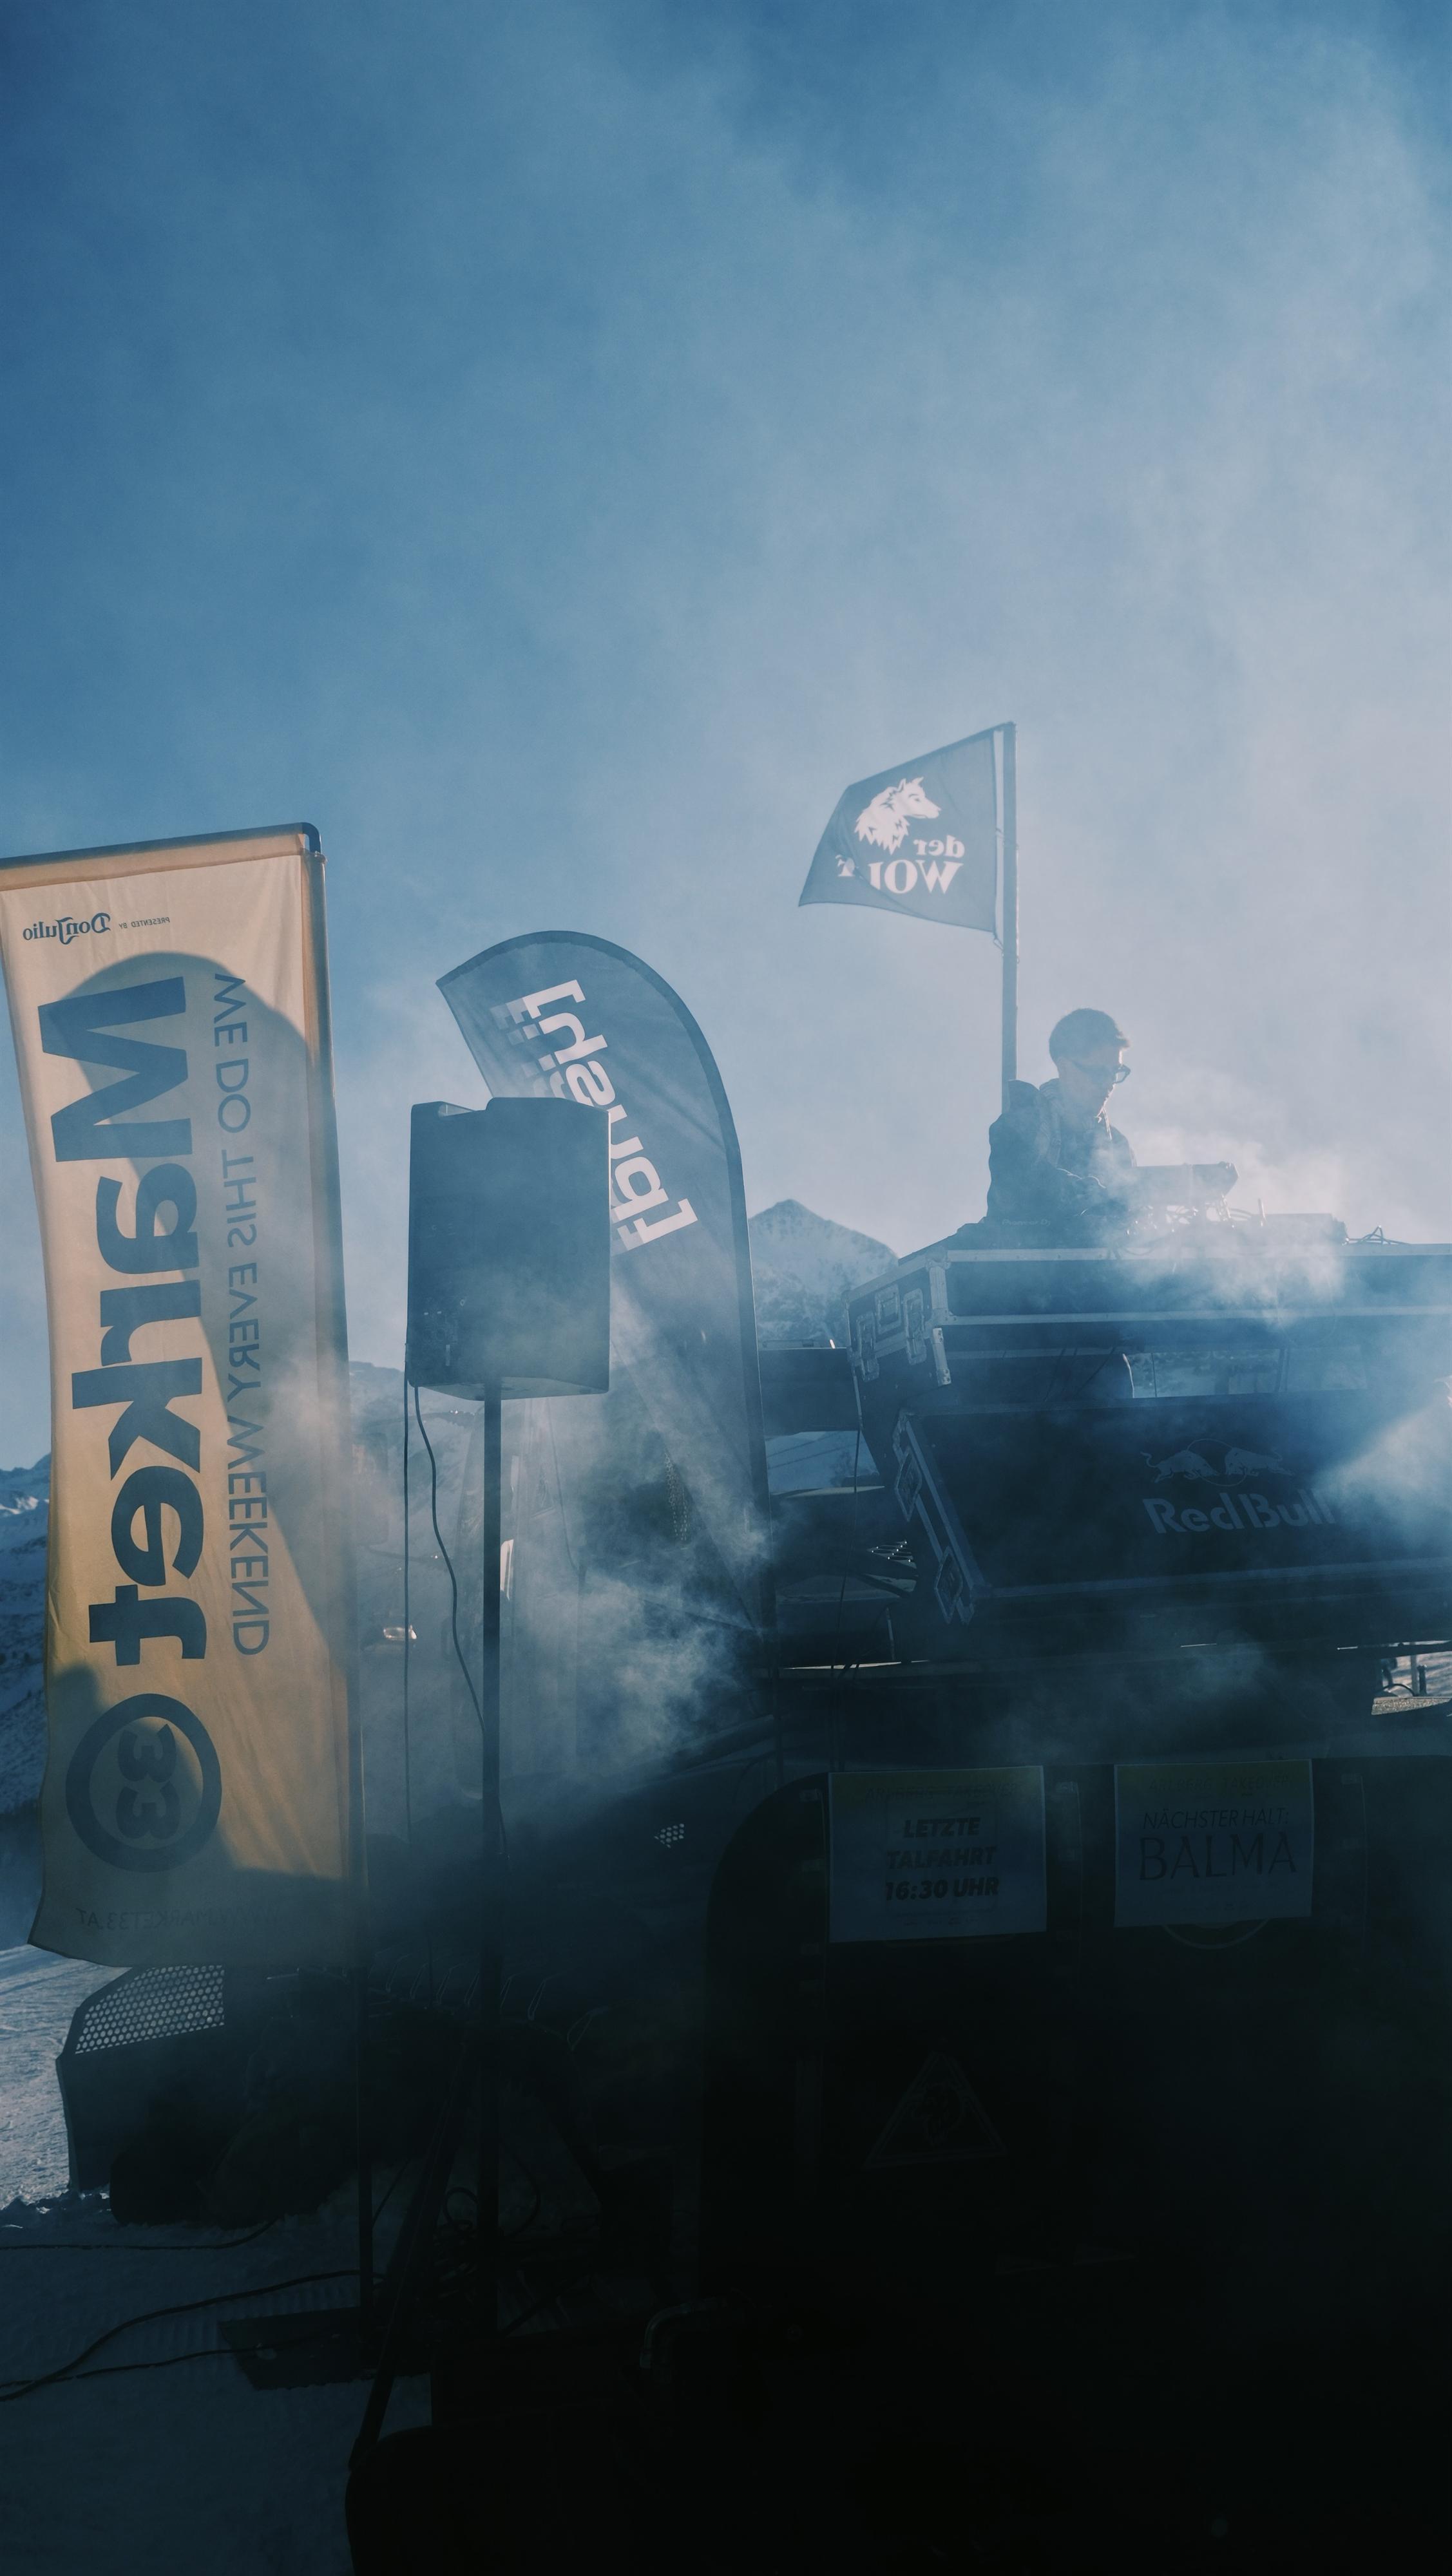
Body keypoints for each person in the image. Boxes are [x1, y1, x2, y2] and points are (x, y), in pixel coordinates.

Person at [983, 1007, 1142, 1236]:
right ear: (1064, 1067)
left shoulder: (1118, 1145)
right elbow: (1025, 1186)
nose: (1109, 1084)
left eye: (1115, 1072)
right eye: (1099, 1073)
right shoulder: (1018, 1127)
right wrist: (1098, 1195)